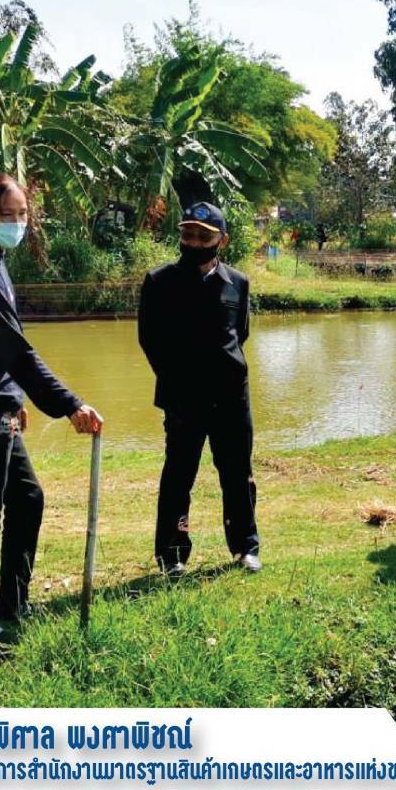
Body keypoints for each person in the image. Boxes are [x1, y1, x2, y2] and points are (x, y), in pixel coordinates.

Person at [0, 173, 102, 650]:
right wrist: (69, 404)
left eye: (22, 214)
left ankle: (13, 603)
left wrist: (15, 399)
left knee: (28, 499)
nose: (17, 223)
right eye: (6, 215)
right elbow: (17, 351)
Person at [137, 202, 260, 577]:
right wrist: (178, 379)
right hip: (183, 399)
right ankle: (172, 555)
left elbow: (240, 333)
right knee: (178, 476)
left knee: (237, 474)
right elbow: (149, 340)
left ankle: (245, 547)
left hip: (231, 398)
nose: (193, 242)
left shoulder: (238, 282)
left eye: (203, 237)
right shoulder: (159, 282)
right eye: (187, 234)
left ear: (222, 240)